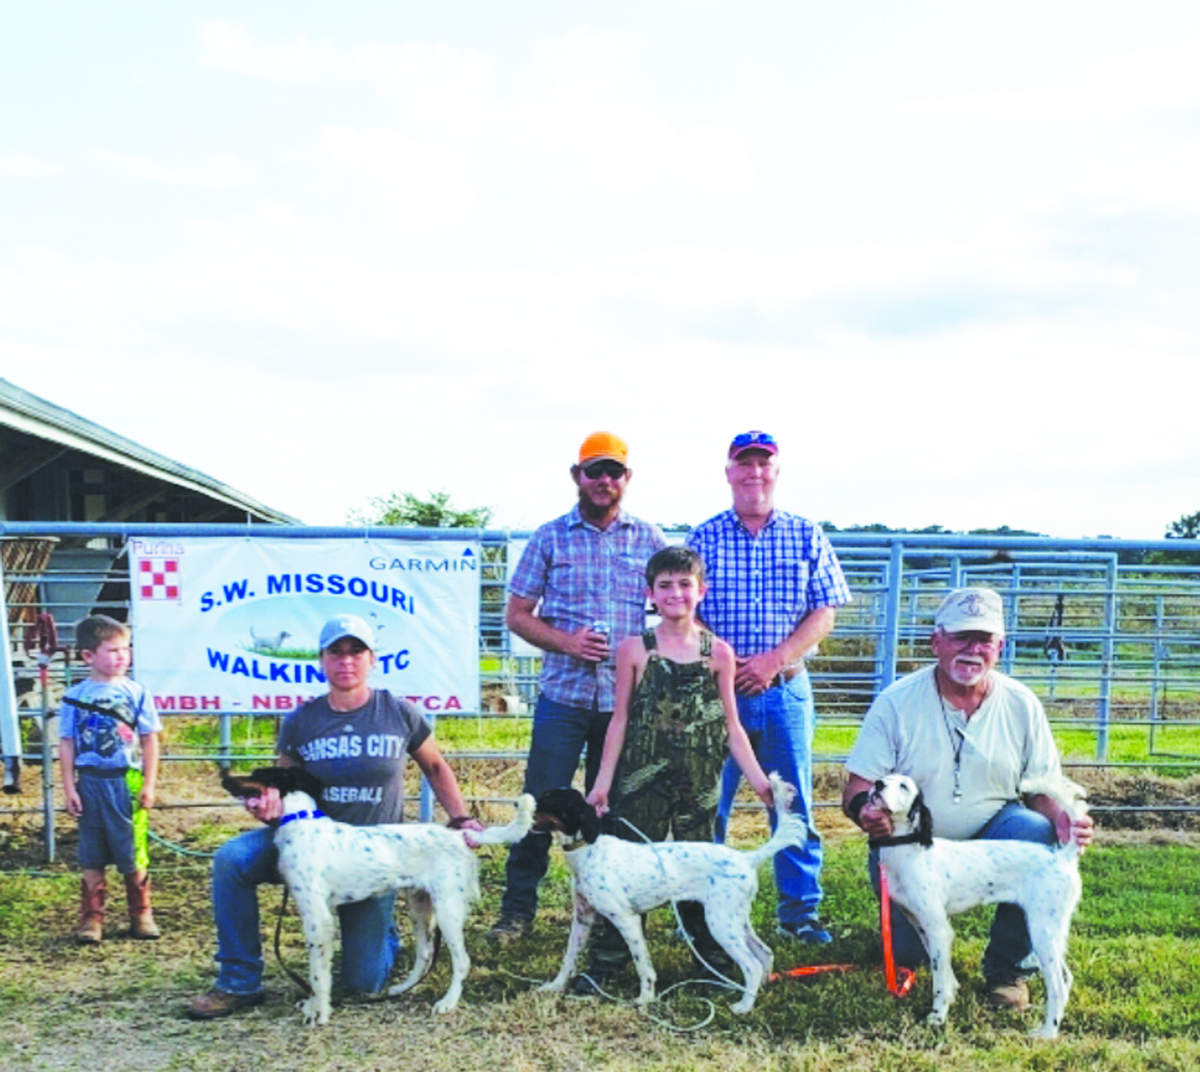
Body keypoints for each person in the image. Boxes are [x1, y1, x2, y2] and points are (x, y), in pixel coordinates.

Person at [187, 613, 483, 1020]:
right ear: (322, 661)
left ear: (372, 659)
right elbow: (284, 783)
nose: (346, 661)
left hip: (371, 851)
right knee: (232, 859)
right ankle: (238, 981)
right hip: (312, 844)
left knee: (364, 983)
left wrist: (462, 818)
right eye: (336, 653)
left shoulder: (399, 712)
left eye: (356, 652)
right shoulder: (302, 720)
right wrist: (266, 806)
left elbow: (435, 767)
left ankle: (383, 931)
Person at [842, 586, 1095, 1010]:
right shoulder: (896, 702)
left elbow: (1042, 789)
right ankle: (909, 949)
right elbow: (856, 786)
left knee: (1035, 830)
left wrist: (1063, 819)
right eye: (961, 638)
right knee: (910, 956)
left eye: (984, 640)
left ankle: (1008, 971)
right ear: (936, 641)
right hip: (911, 845)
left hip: (994, 831)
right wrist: (867, 812)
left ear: (1001, 646)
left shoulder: (1022, 704)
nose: (972, 650)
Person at [489, 431, 667, 942]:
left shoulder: (649, 539)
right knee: (540, 804)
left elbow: (675, 607)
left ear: (626, 479)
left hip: (624, 703)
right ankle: (516, 910)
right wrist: (567, 642)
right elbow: (518, 616)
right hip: (564, 698)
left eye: (614, 472)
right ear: (577, 477)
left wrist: (649, 652)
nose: (604, 481)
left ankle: (612, 910)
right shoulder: (550, 537)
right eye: (595, 471)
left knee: (615, 805)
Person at [578, 545, 775, 985]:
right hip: (639, 777)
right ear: (650, 593)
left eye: (685, 585)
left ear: (701, 591)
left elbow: (731, 724)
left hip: (700, 780)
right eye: (664, 585)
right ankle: (607, 966)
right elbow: (620, 719)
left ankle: (712, 961)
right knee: (623, 869)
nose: (675, 593)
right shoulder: (634, 649)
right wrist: (603, 783)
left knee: (700, 870)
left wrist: (761, 784)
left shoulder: (718, 653)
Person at [687, 430, 851, 944]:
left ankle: (799, 913)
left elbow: (825, 610)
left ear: (776, 471)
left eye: (764, 463)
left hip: (786, 691)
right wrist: (728, 664)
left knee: (792, 800)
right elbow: (682, 608)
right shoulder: (703, 537)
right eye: (745, 463)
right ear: (729, 471)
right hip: (717, 693)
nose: (754, 472)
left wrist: (776, 660)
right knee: (706, 802)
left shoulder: (806, 534)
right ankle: (699, 911)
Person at [59, 614, 162, 943]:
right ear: (88, 656)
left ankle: (141, 912)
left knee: (133, 847)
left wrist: (148, 784)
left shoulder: (137, 693)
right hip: (90, 781)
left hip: (126, 780)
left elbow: (149, 739)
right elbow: (66, 742)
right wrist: (69, 787)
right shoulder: (74, 697)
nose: (122, 656)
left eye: (126, 649)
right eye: (113, 650)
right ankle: (92, 917)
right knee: (92, 849)